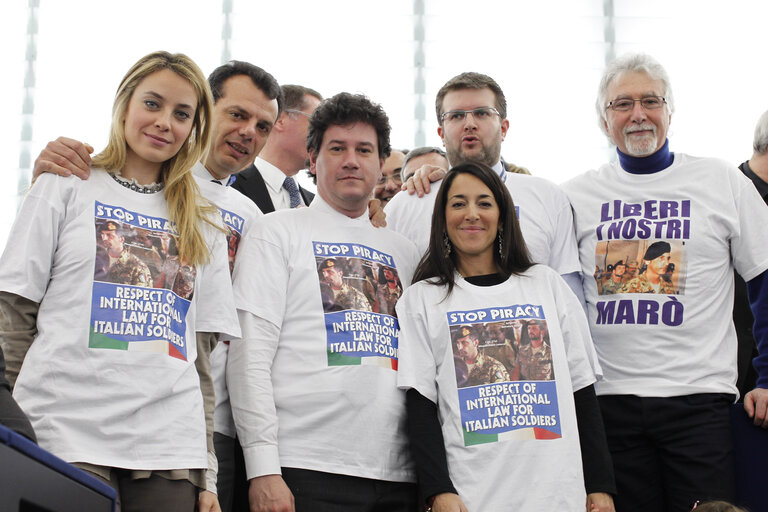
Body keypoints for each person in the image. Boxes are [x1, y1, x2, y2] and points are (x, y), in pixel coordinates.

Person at [0, 51, 240, 512]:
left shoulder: (206, 221)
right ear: (125, 104)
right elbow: (14, 315)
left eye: (182, 114)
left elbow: (201, 360)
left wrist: (207, 472)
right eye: (153, 104)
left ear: (195, 128)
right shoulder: (65, 184)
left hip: (168, 450)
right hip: (61, 429)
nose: (164, 122)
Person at [563, 53, 768, 512]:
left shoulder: (721, 181)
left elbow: (765, 279)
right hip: (608, 403)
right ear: (604, 120)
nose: (638, 114)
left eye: (650, 101)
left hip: (699, 401)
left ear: (670, 112)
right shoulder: (574, 195)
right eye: (622, 104)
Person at [227, 92, 420, 512]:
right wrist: (263, 468)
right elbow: (249, 354)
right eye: (337, 148)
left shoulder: (405, 252)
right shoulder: (275, 232)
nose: (351, 160)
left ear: (380, 161)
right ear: (312, 160)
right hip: (303, 469)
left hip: (399, 477)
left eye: (364, 150)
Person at [396, 162, 615, 512]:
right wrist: (438, 491)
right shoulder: (422, 299)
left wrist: (601, 485)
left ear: (502, 215)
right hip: (473, 495)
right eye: (458, 204)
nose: (472, 214)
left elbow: (582, 392)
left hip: (559, 492)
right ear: (442, 218)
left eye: (484, 203)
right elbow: (421, 407)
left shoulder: (547, 285)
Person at [232, 84, 321, 212]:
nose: (323, 134)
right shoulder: (229, 189)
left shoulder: (315, 205)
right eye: (317, 122)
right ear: (280, 120)